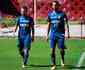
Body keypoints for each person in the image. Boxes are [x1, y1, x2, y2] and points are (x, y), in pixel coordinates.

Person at [47, 1, 69, 70]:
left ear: (58, 6)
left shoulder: (62, 14)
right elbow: (48, 25)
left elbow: (66, 23)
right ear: (52, 6)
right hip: (53, 34)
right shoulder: (50, 14)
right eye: (53, 5)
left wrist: (68, 33)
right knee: (52, 51)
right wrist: (47, 35)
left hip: (60, 34)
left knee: (61, 49)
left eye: (56, 5)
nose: (54, 6)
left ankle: (62, 59)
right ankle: (54, 65)